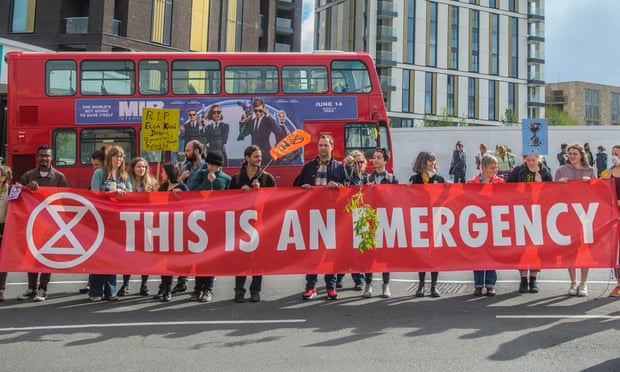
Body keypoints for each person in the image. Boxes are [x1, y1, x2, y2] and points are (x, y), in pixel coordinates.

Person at [294, 134, 346, 300]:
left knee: (331, 253)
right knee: (313, 252)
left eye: (326, 145)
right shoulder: (308, 168)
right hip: (313, 216)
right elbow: (294, 188)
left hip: (332, 216)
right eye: (321, 145)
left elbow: (348, 188)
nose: (323, 148)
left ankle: (331, 286)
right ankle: (311, 286)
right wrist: (304, 187)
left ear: (332, 147)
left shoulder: (339, 167)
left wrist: (338, 186)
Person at [17, 145, 68, 302]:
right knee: (32, 255)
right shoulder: (28, 175)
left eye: (47, 156)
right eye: (41, 156)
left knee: (47, 256)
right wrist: (25, 187)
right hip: (32, 223)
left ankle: (43, 289)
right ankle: (31, 288)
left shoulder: (60, 177)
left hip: (51, 224)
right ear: (37, 157)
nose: (44, 158)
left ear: (51, 158)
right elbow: (17, 195)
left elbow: (65, 200)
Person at [230, 145, 276, 303]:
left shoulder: (267, 179)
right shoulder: (236, 179)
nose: (259, 159)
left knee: (258, 259)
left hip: (260, 226)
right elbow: (226, 203)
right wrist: (239, 193)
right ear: (247, 158)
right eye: (256, 157)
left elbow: (274, 202)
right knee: (240, 260)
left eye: (260, 157)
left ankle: (255, 290)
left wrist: (261, 191)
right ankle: (239, 291)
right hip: (241, 227)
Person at [88, 145, 132, 302]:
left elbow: (131, 195)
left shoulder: (124, 176)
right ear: (110, 158)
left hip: (117, 222)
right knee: (100, 256)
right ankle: (95, 291)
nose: (118, 159)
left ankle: (110, 291)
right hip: (101, 220)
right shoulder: (99, 173)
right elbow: (93, 194)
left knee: (113, 256)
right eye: (116, 156)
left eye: (121, 157)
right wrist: (111, 194)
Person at [507, 154, 553, 293]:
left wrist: (540, 184)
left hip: (538, 213)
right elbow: (507, 188)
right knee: (522, 247)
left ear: (538, 160)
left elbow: (553, 191)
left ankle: (533, 279)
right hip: (521, 211)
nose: (531, 163)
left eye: (533, 161)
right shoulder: (519, 171)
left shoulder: (545, 172)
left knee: (535, 248)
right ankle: (523, 279)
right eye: (528, 161)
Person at [555, 144, 595, 297]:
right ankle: (573, 282)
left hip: (585, 215)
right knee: (570, 250)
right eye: (570, 153)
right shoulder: (561, 170)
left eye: (575, 154)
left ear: (581, 155)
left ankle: (584, 282)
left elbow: (597, 193)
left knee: (585, 250)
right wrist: (560, 184)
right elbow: (552, 193)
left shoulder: (590, 171)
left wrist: (590, 184)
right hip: (567, 214)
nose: (572, 156)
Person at [190, 151, 231, 302]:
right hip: (199, 220)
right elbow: (193, 192)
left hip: (216, 220)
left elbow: (231, 199)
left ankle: (208, 289)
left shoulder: (226, 179)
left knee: (211, 257)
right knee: (199, 256)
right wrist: (206, 182)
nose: (211, 167)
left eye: (214, 165)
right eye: (209, 164)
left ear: (219, 166)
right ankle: (197, 288)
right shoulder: (201, 174)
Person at [116, 157, 159, 297]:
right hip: (131, 223)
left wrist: (154, 193)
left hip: (147, 224)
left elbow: (159, 203)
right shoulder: (126, 182)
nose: (142, 169)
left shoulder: (152, 183)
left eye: (144, 167)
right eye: (139, 167)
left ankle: (144, 284)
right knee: (129, 255)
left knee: (145, 255)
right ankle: (126, 284)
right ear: (133, 168)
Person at [407, 150, 445, 298]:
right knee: (422, 253)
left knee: (434, 253)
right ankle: (421, 284)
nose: (432, 163)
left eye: (434, 160)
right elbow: (407, 196)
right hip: (419, 220)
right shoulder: (415, 179)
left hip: (435, 219)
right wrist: (407, 189)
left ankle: (434, 286)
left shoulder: (439, 179)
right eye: (430, 160)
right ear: (423, 162)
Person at [467, 154, 504, 296]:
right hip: (477, 222)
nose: (495, 170)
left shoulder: (500, 183)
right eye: (492, 168)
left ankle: (490, 284)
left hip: (494, 221)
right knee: (477, 253)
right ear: (483, 168)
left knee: (491, 253)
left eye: (496, 168)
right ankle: (478, 284)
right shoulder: (472, 183)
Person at [363, 147, 398, 298]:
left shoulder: (392, 179)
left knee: (385, 254)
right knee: (369, 253)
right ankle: (368, 284)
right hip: (370, 219)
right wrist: (367, 190)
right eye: (374, 157)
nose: (375, 160)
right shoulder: (367, 178)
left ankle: (386, 285)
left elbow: (396, 199)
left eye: (378, 157)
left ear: (385, 160)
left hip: (385, 219)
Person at [153, 164, 189, 302]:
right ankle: (163, 287)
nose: (161, 174)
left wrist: (181, 196)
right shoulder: (162, 188)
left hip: (176, 228)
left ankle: (167, 290)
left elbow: (190, 204)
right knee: (163, 261)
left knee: (170, 261)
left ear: (169, 173)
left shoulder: (182, 187)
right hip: (163, 227)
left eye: (163, 172)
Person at [336, 150, 367, 291]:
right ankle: (339, 277)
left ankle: (359, 279)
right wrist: (347, 167)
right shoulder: (347, 176)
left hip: (361, 216)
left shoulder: (366, 177)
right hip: (346, 216)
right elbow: (344, 186)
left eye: (360, 162)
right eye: (355, 162)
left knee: (357, 250)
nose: (358, 165)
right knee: (344, 249)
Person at [237, 98, 287, 162]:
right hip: (253, 155)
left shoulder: (267, 120)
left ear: (264, 110)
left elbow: (279, 131)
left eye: (260, 111)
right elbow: (242, 136)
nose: (257, 113)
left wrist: (268, 116)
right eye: (256, 111)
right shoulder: (252, 121)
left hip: (265, 155)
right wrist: (242, 123)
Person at [601, 145, 620, 297]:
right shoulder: (609, 172)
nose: (615, 157)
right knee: (615, 251)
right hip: (613, 216)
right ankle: (618, 283)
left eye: (617, 154)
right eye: (613, 154)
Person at [0, 165, 13, 302]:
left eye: (1, 174)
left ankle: (1, 289)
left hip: (4, 227)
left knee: (2, 260)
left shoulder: (10, 190)